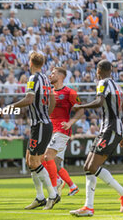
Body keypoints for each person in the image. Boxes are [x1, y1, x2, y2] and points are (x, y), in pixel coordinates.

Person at [70, 60, 123, 217]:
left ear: (98, 71)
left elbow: (99, 102)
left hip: (110, 130)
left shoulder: (102, 83)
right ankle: (88, 207)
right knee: (87, 166)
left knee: (92, 167)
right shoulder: (117, 87)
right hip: (109, 130)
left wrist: (81, 106)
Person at [8, 52, 59, 210]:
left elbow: (29, 99)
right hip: (41, 124)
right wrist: (46, 115)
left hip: (41, 125)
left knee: (34, 162)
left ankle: (52, 195)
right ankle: (40, 197)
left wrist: (12, 106)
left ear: (30, 62)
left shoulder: (33, 78)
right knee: (29, 160)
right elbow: (53, 99)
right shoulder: (45, 78)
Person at [44, 67, 84, 197]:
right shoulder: (49, 92)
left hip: (62, 131)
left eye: (53, 73)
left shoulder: (69, 92)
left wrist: (70, 123)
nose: (50, 75)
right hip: (50, 131)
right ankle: (70, 185)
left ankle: (54, 191)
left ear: (61, 76)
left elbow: (81, 110)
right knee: (52, 163)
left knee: (47, 158)